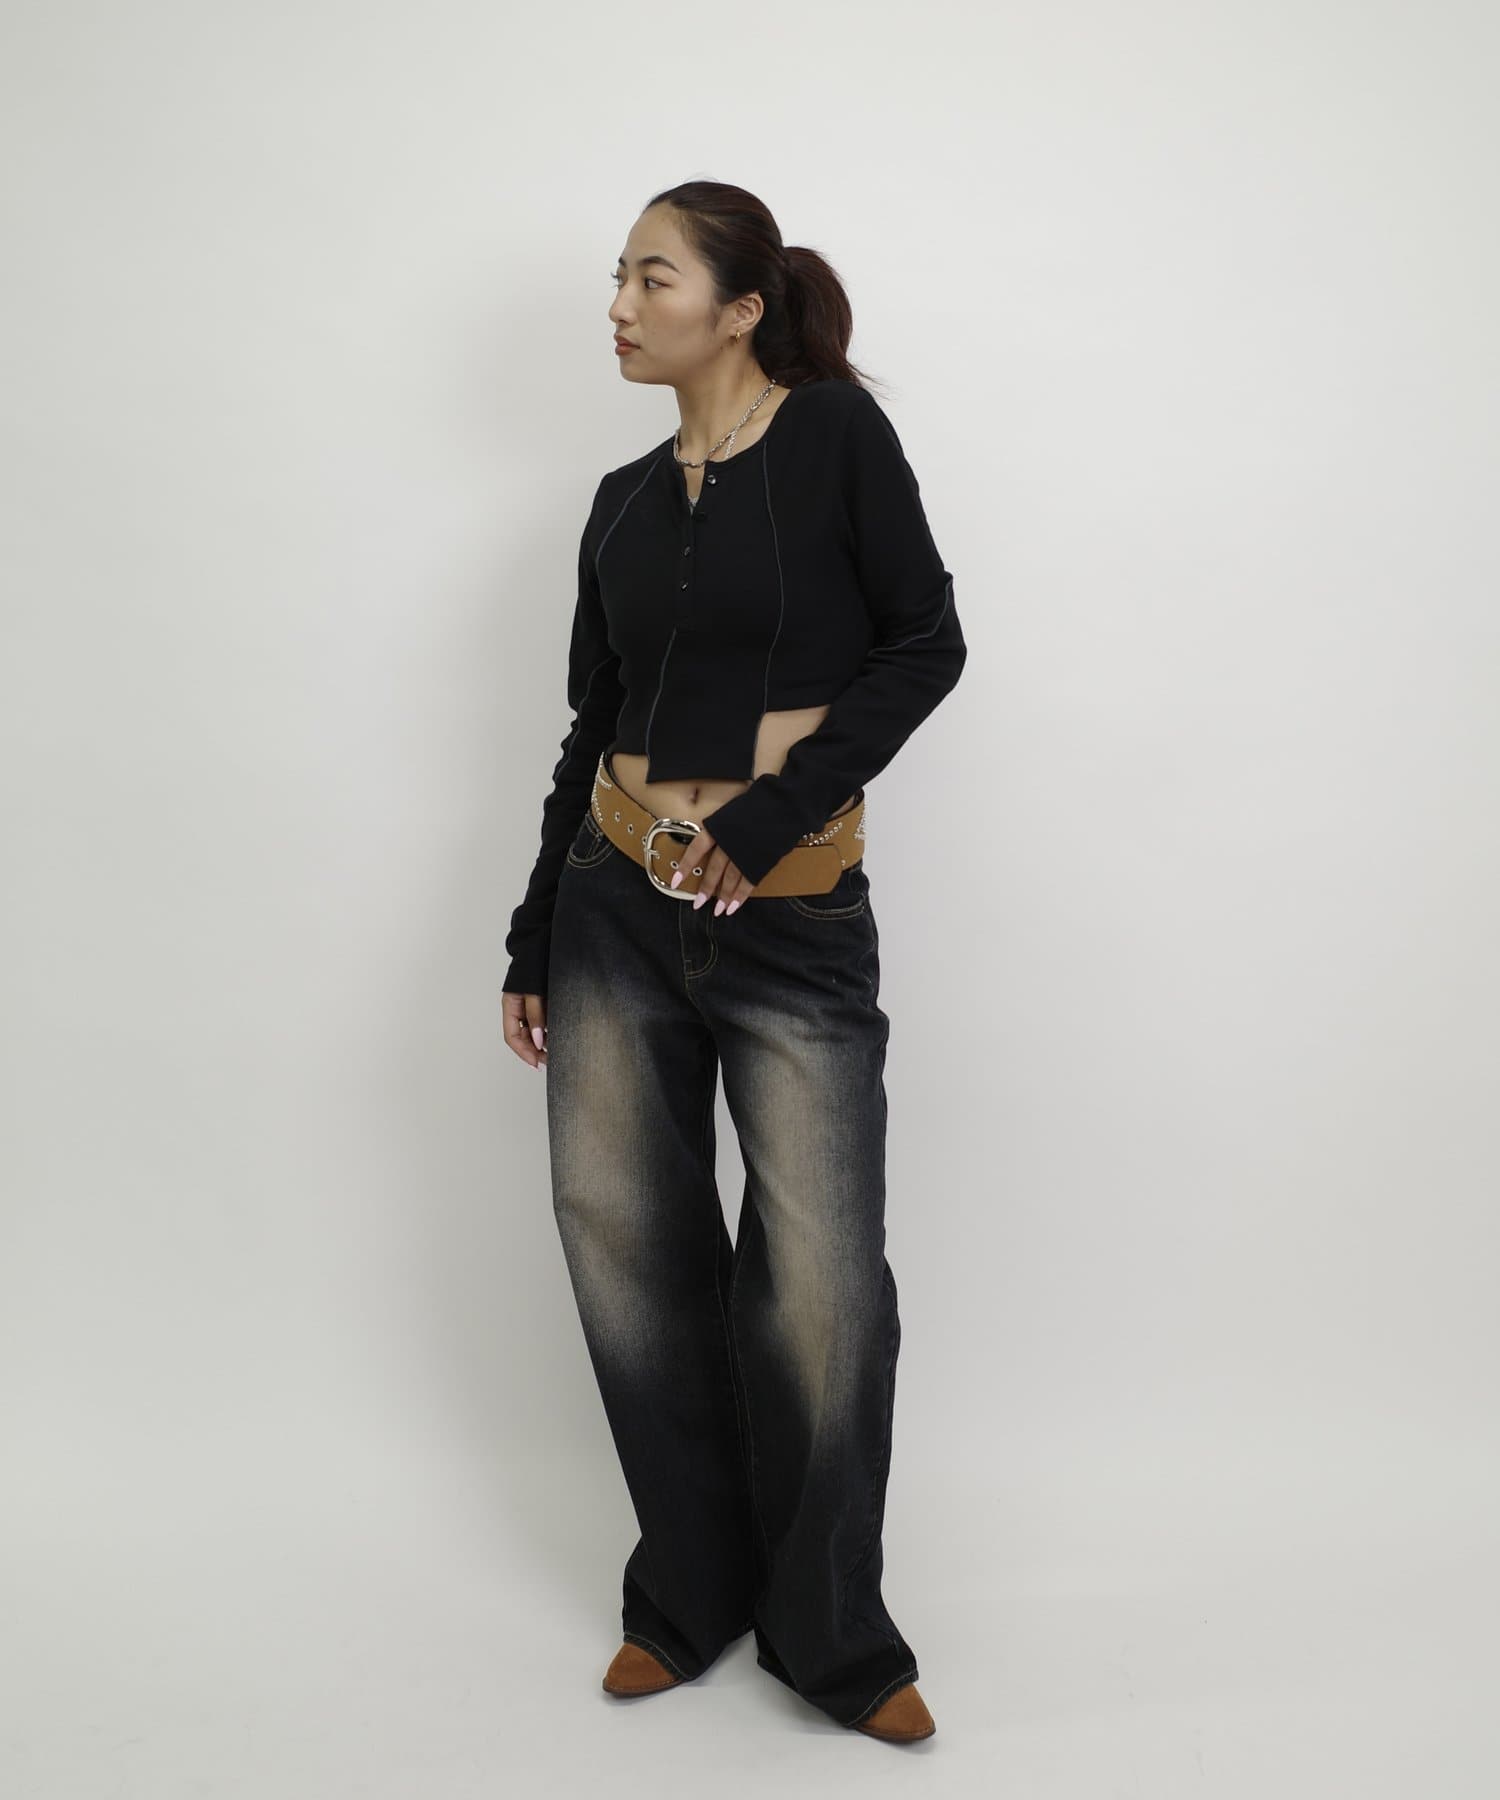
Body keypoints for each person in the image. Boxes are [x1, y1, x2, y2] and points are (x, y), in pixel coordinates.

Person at [500, 179, 966, 1743]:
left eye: (653, 277)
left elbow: (924, 643)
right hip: (613, 908)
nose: (620, 307)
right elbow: (594, 723)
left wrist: (769, 818)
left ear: (741, 307)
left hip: (791, 916)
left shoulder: (836, 439)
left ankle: (831, 1633)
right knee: (626, 1244)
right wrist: (535, 931)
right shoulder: (623, 501)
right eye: (617, 278)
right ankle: (688, 1592)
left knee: (822, 1279)